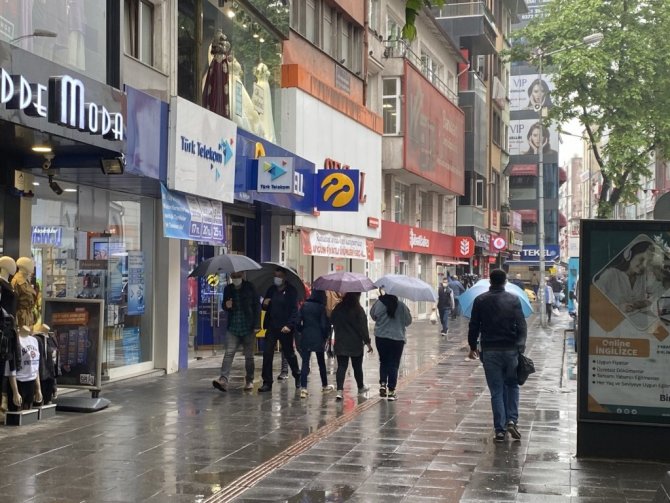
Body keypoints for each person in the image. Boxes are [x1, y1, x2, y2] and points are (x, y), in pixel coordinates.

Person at [468, 269, 527, 442]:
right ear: (505, 281)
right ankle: (512, 420)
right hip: (510, 350)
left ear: (490, 281)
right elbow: (522, 325)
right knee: (512, 385)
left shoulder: (480, 300)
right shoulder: (514, 299)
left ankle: (500, 430)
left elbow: (474, 325)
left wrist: (473, 346)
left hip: (490, 350)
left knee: (496, 390)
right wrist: (520, 346)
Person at [212, 271, 259, 392]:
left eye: (238, 276)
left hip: (247, 326)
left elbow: (256, 306)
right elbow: (224, 305)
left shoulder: (250, 287)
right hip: (233, 327)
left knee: (249, 356)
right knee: (229, 353)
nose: (236, 278)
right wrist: (226, 305)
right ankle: (223, 379)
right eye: (233, 276)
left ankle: (249, 380)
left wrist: (257, 325)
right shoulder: (228, 289)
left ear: (242, 275)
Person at [258, 267, 301, 392]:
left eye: (279, 276)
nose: (277, 278)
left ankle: (297, 375)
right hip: (272, 326)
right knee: (267, 353)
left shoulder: (291, 291)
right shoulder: (271, 289)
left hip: (285, 328)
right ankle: (267, 382)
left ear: (284, 277)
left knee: (289, 353)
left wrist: (289, 325)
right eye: (275, 275)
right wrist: (264, 304)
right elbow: (265, 307)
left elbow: (294, 310)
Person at [330, 292, 373, 400]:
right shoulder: (358, 310)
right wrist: (368, 343)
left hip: (341, 341)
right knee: (357, 367)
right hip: (355, 343)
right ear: (357, 296)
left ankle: (339, 391)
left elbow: (331, 320)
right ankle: (360, 387)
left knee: (341, 366)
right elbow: (363, 328)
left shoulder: (338, 308)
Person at [370, 293, 411, 401]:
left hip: (381, 337)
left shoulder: (379, 303)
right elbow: (408, 321)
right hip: (397, 339)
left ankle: (383, 383)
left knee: (383, 361)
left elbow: (373, 316)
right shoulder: (401, 305)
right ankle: (391, 391)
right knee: (394, 364)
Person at [594, 240, 655, 313]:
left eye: (648, 262)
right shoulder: (610, 274)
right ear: (630, 255)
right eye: (642, 259)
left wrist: (639, 304)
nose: (644, 266)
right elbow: (594, 301)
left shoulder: (643, 277)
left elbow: (653, 297)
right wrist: (619, 307)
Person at [297, 290, 334, 398]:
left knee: (305, 363)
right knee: (321, 362)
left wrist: (301, 330)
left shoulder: (304, 306)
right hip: (318, 337)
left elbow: (298, 321)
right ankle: (324, 385)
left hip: (306, 336)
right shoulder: (321, 308)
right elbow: (323, 325)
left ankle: (303, 388)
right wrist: (326, 336)